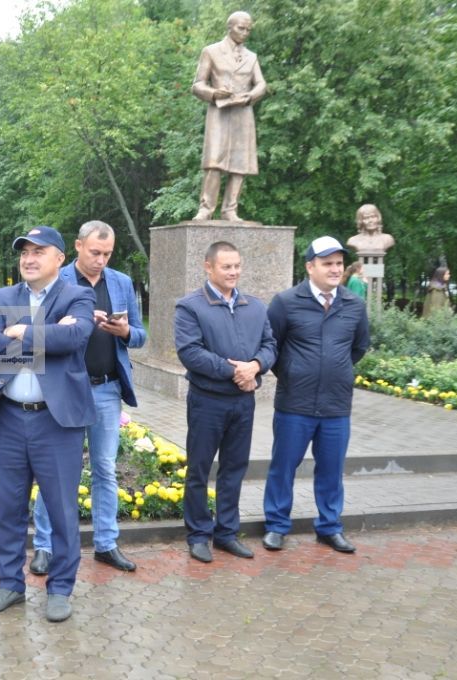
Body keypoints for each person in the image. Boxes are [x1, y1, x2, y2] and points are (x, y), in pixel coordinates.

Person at [0, 226, 95, 623]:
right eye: (24, 251)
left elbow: (75, 337)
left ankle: (60, 589)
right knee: (8, 509)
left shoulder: (76, 294)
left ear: (60, 258)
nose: (28, 258)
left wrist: (24, 331)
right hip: (8, 418)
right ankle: (9, 585)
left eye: (38, 251)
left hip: (56, 422)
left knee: (61, 510)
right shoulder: (6, 296)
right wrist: (46, 337)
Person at [30, 221, 147, 576]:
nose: (101, 260)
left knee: (105, 470)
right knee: (55, 471)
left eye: (107, 254)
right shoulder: (57, 279)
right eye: (95, 252)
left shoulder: (121, 283)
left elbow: (141, 336)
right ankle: (44, 547)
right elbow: (37, 331)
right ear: (78, 246)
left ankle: (106, 544)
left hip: (107, 389)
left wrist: (125, 331)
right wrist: (74, 321)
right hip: (64, 388)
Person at [262, 236, 371, 554]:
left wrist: (335, 371)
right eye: (328, 263)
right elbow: (272, 345)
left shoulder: (353, 304)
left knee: (332, 469)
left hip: (336, 404)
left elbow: (359, 347)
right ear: (310, 267)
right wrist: (295, 372)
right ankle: (277, 526)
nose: (335, 269)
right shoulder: (285, 302)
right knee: (283, 466)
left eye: (339, 263)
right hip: (294, 403)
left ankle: (329, 527)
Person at [174, 242, 276, 563]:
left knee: (234, 469)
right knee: (199, 469)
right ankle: (199, 534)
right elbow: (190, 353)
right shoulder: (190, 307)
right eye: (226, 267)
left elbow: (271, 345)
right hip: (207, 402)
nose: (233, 272)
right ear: (208, 267)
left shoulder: (255, 306)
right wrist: (236, 371)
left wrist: (256, 366)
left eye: (237, 266)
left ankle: (227, 533)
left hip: (243, 403)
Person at [191, 11, 267, 222]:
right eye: (241, 28)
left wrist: (251, 96)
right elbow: (197, 85)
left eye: (248, 29)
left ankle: (230, 210)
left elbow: (261, 84)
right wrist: (214, 93)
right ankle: (206, 208)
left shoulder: (252, 57)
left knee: (240, 163)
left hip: (243, 113)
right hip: (220, 111)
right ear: (230, 27)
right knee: (214, 161)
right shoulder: (211, 51)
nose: (245, 33)